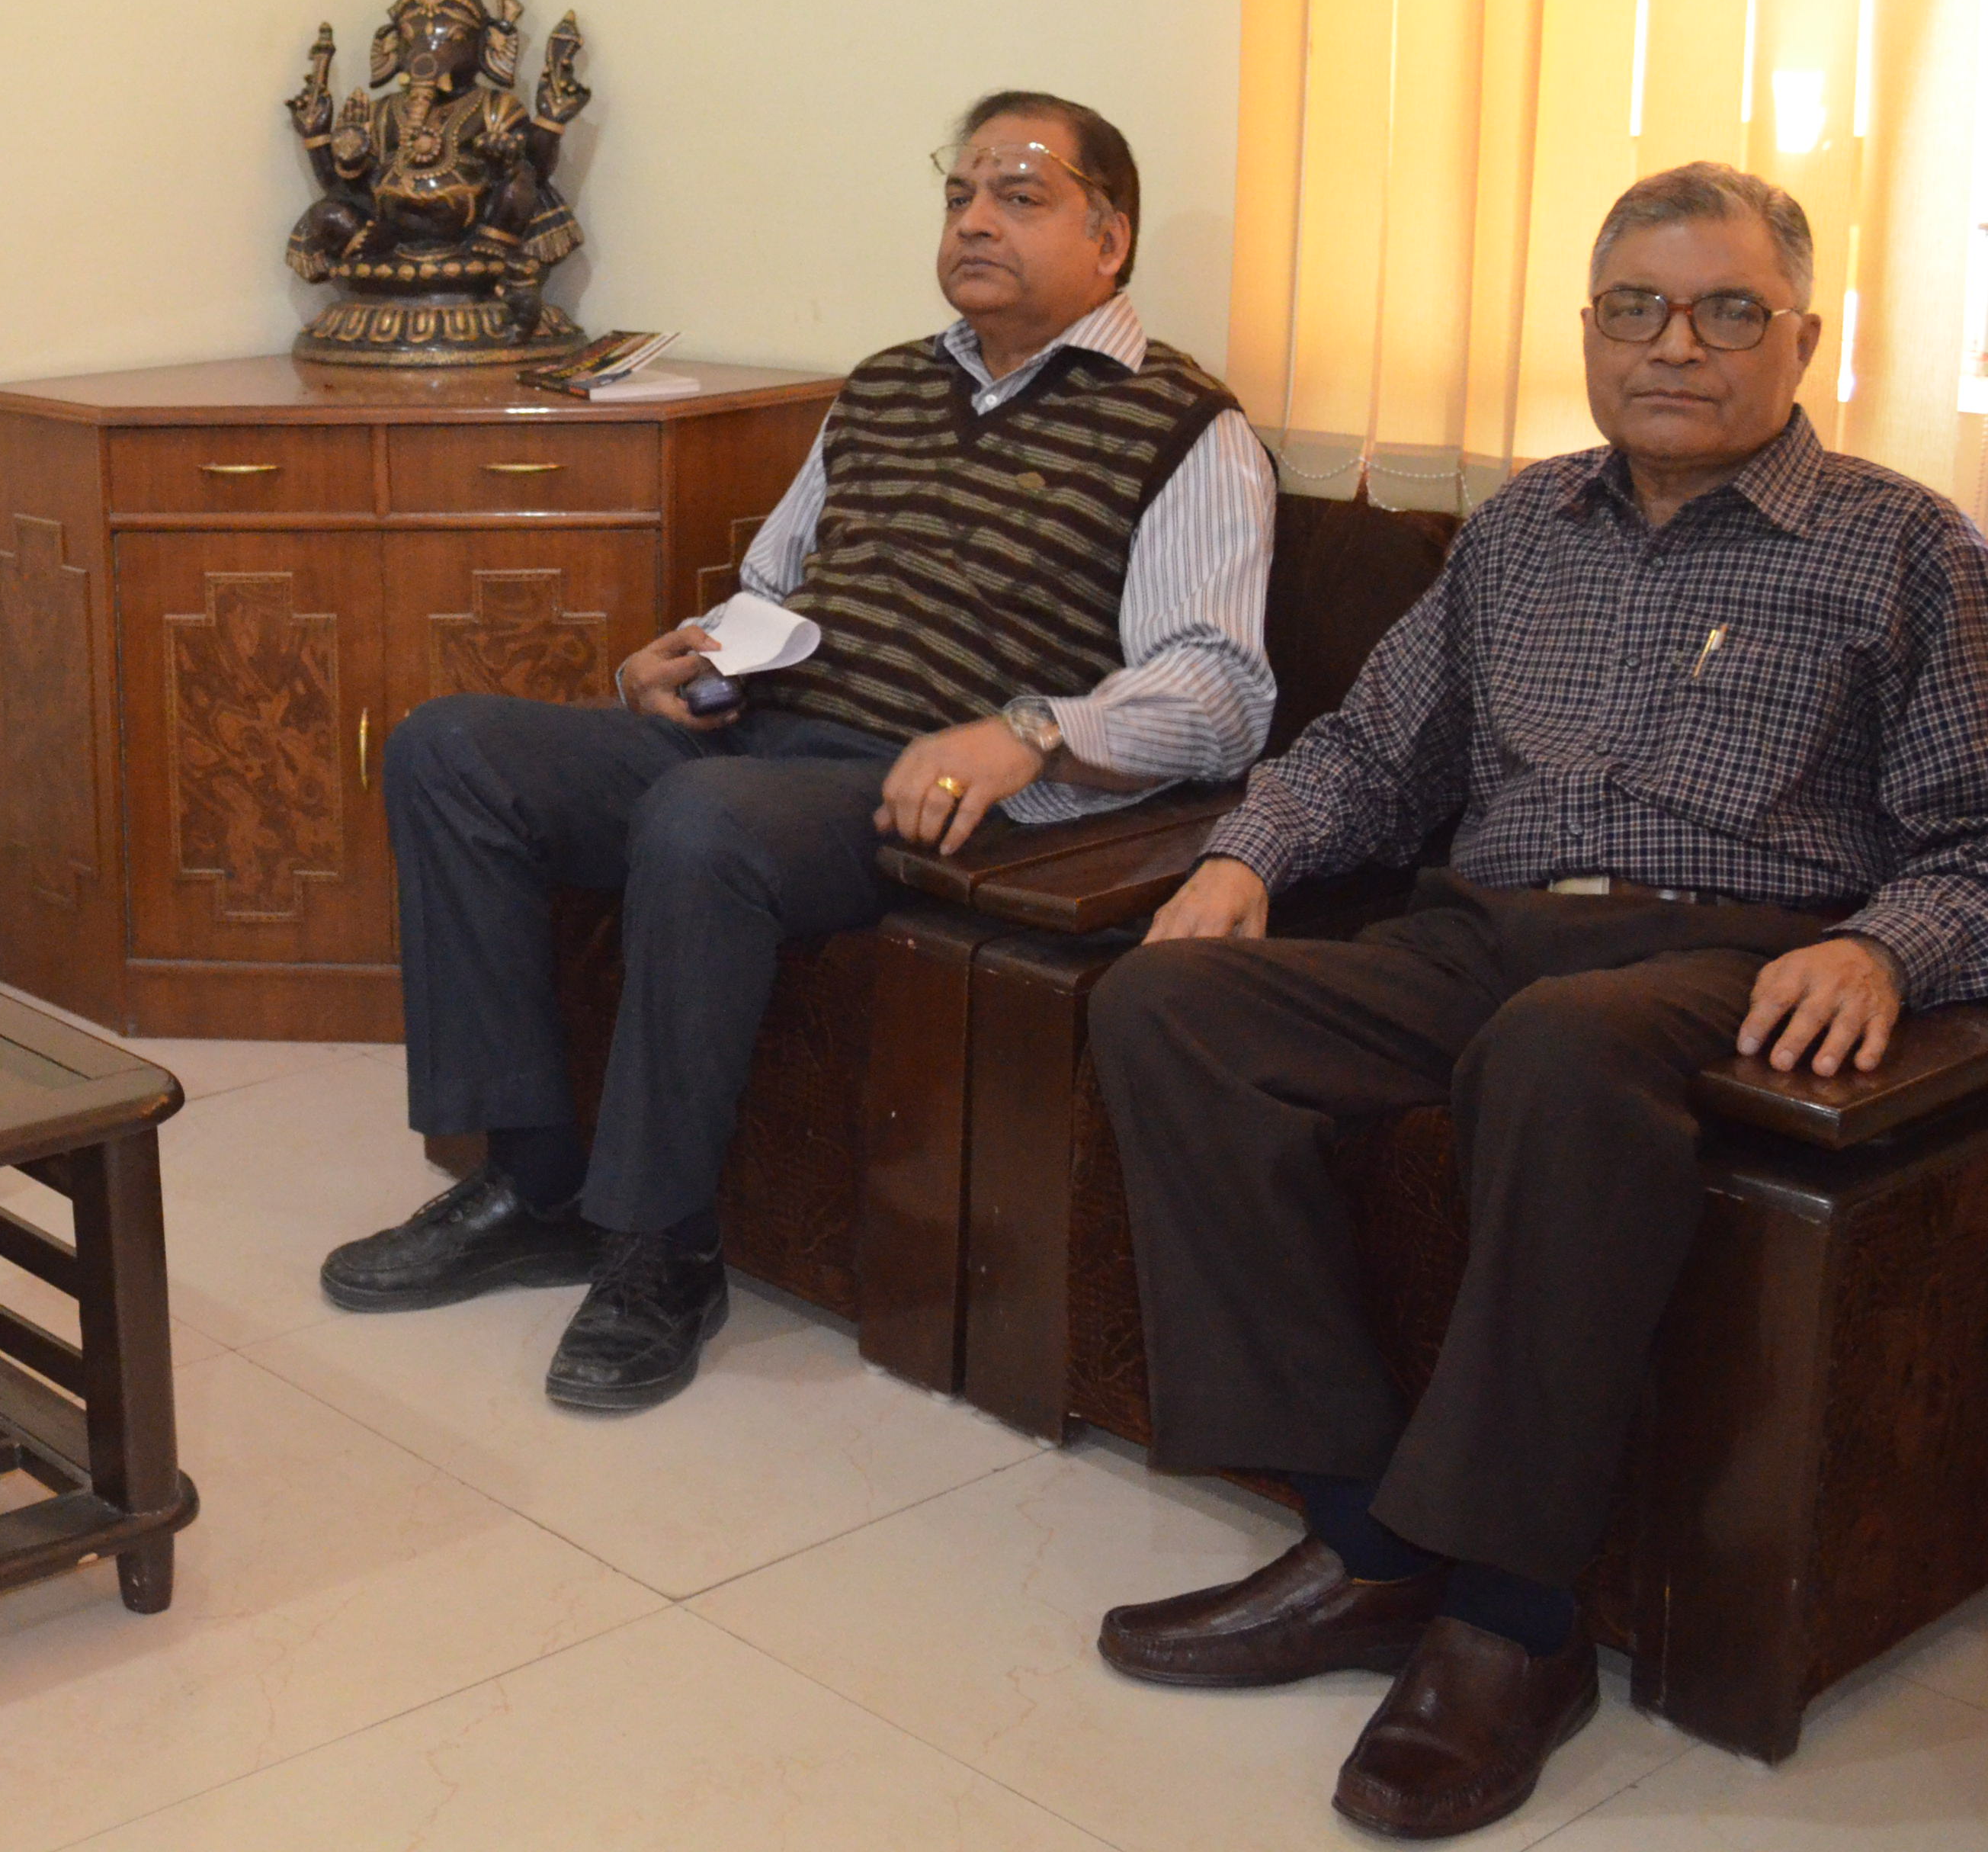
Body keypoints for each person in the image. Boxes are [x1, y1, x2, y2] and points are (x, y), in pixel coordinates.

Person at [1086, 162, 1988, 1838]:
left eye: (1725, 309)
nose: (1673, 344)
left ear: (1803, 340)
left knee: (1557, 1050)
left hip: (1728, 954)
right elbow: (1368, 750)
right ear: (1585, 331)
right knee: (1166, 1004)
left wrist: (1883, 949)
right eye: (1634, 307)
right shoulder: (1518, 530)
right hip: (1478, 927)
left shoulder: (1903, 548)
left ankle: (1513, 1616)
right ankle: (1368, 1536)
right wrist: (1248, 852)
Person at [319, 91, 1280, 1410]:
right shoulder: (885, 385)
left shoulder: (1186, 426)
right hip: (758, 735)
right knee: (449, 748)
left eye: (1019, 195)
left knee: (702, 821)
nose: (975, 220)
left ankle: (660, 1247)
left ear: (1108, 240)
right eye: (959, 194)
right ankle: (530, 1186)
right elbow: (776, 585)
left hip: (919, 787)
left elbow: (1222, 690)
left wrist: (1031, 732)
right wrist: (683, 659)